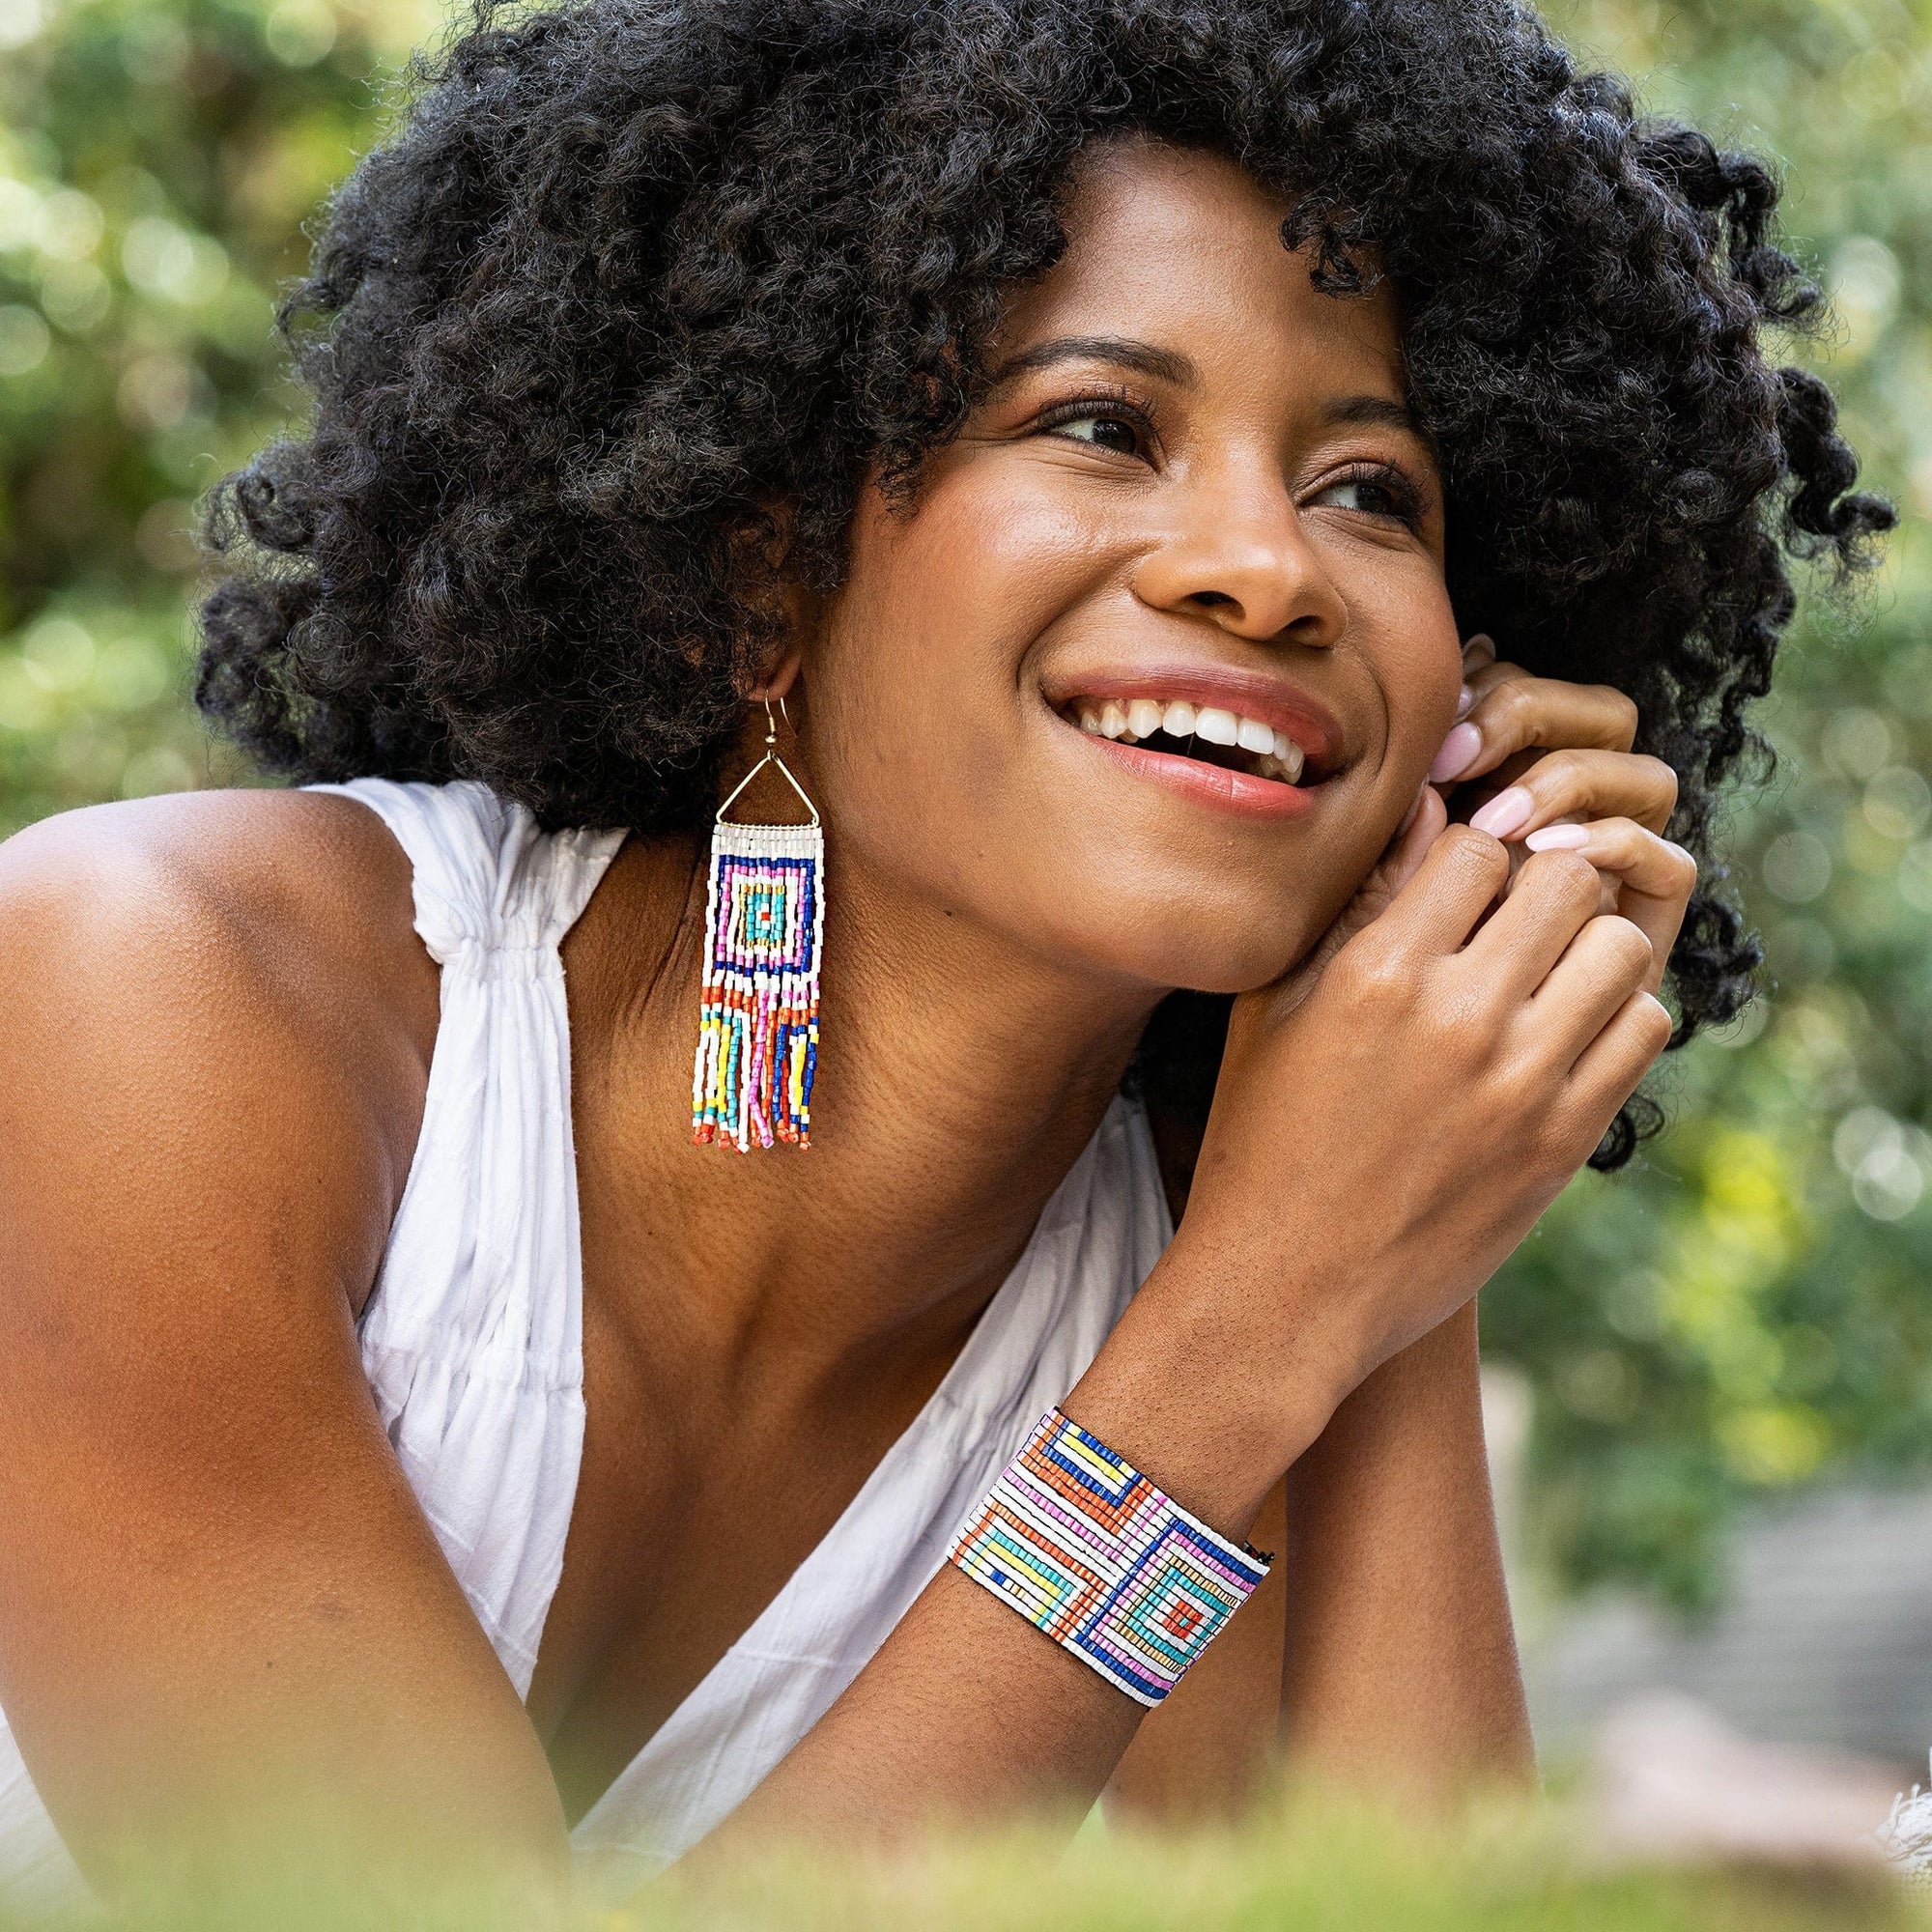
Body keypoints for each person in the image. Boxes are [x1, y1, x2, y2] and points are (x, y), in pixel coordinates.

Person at [0, 0, 1889, 1915]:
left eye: (1369, 490)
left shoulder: (1224, 1266)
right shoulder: (144, 1000)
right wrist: (1254, 1332)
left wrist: (1412, 1198)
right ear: (758, 571)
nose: (1267, 567)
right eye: (1098, 424)